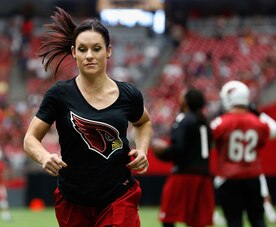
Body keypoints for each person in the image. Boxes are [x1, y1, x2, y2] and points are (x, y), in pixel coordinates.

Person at [23, 7, 152, 227]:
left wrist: (142, 149)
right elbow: (30, 139)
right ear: (74, 53)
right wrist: (45, 157)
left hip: (119, 196)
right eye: (82, 49)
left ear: (108, 51)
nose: (89, 55)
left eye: (96, 48)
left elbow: (143, 122)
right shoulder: (59, 94)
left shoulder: (129, 95)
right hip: (73, 200)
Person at [210, 80, 276, 227]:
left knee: (234, 222)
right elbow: (273, 130)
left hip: (229, 179)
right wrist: (256, 113)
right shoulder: (257, 122)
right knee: (258, 221)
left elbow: (208, 140)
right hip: (253, 178)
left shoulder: (221, 122)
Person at [151, 88, 215, 227]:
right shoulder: (204, 121)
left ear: (186, 101)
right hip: (204, 176)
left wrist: (163, 152)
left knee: (168, 217)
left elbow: (178, 148)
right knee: (197, 221)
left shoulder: (184, 119)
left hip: (184, 174)